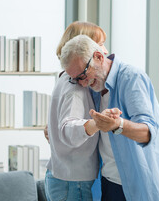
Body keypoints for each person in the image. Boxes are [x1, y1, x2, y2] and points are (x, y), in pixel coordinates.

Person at [59, 34, 159, 201]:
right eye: (76, 80)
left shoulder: (131, 78)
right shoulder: (94, 86)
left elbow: (148, 132)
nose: (82, 84)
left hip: (137, 185)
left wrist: (118, 125)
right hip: (108, 183)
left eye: (83, 75)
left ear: (98, 57)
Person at [45, 21, 107, 201]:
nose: (104, 51)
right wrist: (96, 123)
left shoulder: (65, 79)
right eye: (100, 44)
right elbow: (68, 127)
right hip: (73, 182)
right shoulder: (76, 86)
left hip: (64, 177)